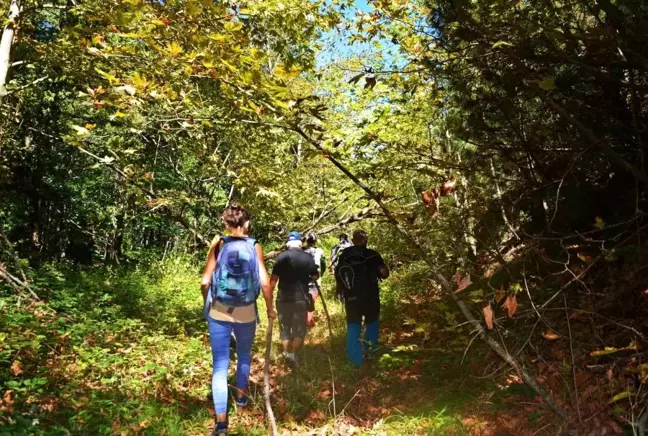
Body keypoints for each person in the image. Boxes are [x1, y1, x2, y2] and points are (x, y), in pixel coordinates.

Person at [200, 204, 275, 436]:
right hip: (246, 311)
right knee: (244, 354)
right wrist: (270, 309)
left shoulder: (219, 244)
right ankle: (241, 401)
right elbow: (264, 282)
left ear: (226, 223)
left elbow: (204, 282)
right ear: (247, 224)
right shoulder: (255, 246)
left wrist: (209, 302)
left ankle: (221, 424)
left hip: (220, 310)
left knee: (220, 366)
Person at [335, 230, 389, 366]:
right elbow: (384, 273)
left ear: (353, 240)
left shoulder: (344, 255)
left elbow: (339, 274)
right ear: (365, 240)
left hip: (351, 297)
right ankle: (370, 353)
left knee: (353, 326)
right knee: (372, 324)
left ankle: (355, 360)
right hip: (370, 296)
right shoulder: (371, 254)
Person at [268, 231, 319, 369]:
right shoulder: (307, 256)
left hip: (283, 297)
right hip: (300, 298)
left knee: (285, 327)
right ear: (300, 243)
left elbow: (273, 281)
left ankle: (286, 353)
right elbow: (315, 276)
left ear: (288, 243)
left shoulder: (281, 257)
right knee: (298, 328)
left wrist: (269, 299)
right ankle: (294, 355)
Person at [329, 233, 352, 300]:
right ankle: (347, 299)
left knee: (339, 284)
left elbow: (332, 257)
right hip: (349, 268)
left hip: (338, 268)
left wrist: (331, 268)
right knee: (348, 284)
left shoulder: (336, 246)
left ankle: (340, 299)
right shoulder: (350, 246)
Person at [303, 232, 326, 299]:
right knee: (312, 300)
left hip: (303, 280)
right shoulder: (320, 251)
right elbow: (323, 265)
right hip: (316, 279)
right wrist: (320, 274)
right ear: (315, 241)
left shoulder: (302, 251)